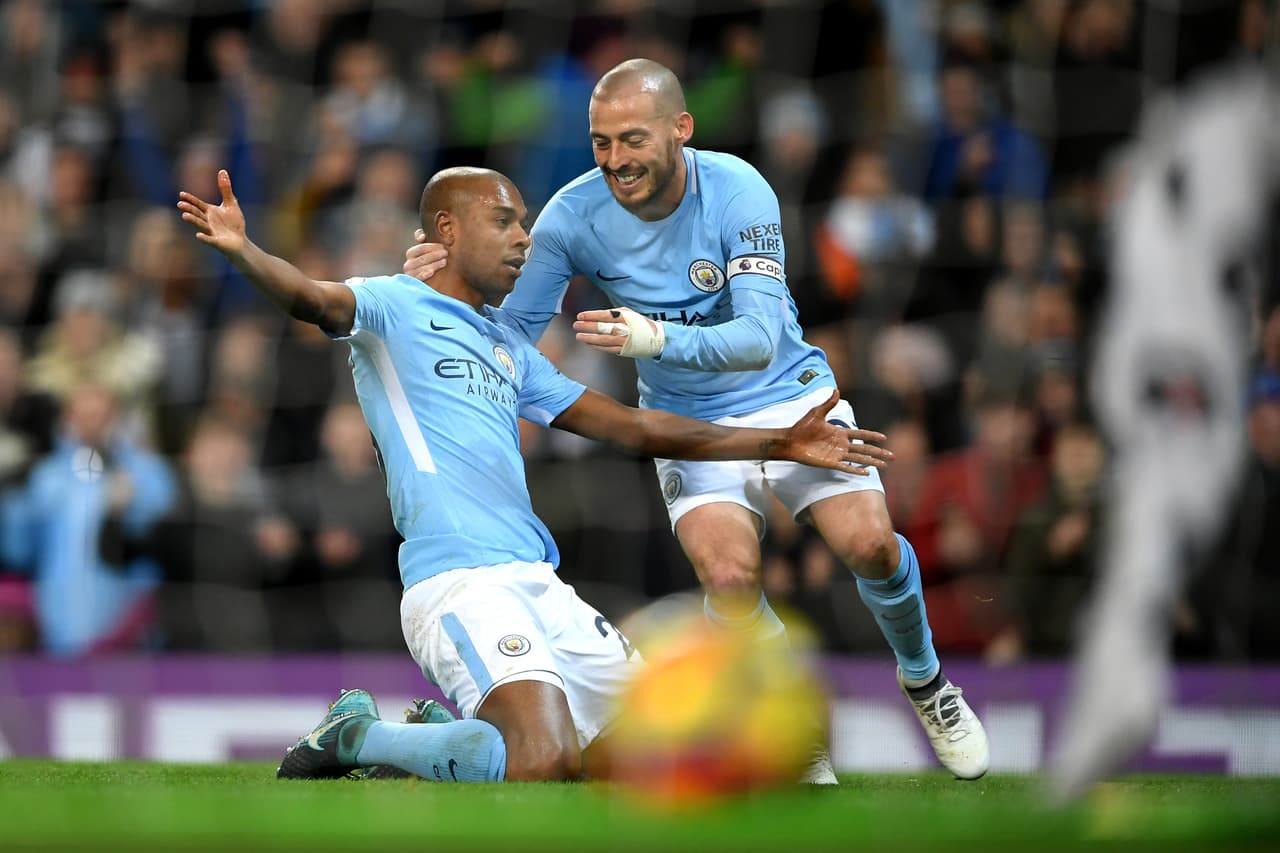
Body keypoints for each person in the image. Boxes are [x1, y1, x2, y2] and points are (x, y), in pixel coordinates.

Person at [176, 166, 890, 783]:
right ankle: (358, 734)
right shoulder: (393, 305)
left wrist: (779, 442)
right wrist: (243, 250)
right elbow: (312, 297)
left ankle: (442, 736)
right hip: (458, 581)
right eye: (505, 220)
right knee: (544, 760)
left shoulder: (510, 350)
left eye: (525, 223)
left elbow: (635, 427)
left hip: (538, 581)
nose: (525, 237)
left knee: (648, 757)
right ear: (447, 230)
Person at [405, 58, 990, 780]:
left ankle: (926, 681)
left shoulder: (739, 189)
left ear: (680, 128)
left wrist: (655, 337)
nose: (615, 160)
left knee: (871, 546)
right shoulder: (570, 217)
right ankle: (790, 720)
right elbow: (510, 338)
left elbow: (760, 337)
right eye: (600, 142)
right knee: (729, 575)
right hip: (687, 421)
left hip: (790, 394)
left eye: (632, 139)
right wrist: (439, 293)